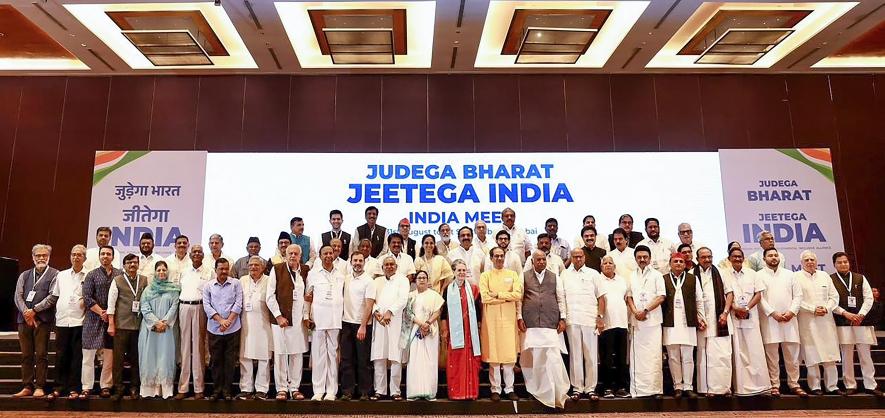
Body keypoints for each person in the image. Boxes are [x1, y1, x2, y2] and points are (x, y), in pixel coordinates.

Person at [518, 250, 569, 409]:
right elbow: (520, 299)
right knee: (532, 359)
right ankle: (534, 390)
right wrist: (519, 317)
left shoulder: (555, 277)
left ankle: (554, 393)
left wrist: (563, 318)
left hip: (550, 323)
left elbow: (561, 299)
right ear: (532, 262)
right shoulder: (524, 276)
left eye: (543, 259)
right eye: (538, 260)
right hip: (531, 323)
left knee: (552, 359)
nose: (541, 262)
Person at [830, 252, 883, 397]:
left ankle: (870, 385)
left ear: (849, 263)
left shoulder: (860, 278)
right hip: (843, 321)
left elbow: (868, 298)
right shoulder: (831, 279)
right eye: (840, 262)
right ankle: (850, 385)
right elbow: (831, 302)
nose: (843, 264)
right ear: (834, 264)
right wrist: (846, 314)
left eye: (845, 262)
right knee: (846, 354)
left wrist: (861, 315)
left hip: (862, 321)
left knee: (865, 354)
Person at [757, 248, 806, 397]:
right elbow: (759, 298)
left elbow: (798, 296)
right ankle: (774, 385)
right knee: (772, 357)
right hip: (770, 320)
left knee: (792, 355)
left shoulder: (790, 275)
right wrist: (773, 313)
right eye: (770, 255)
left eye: (775, 255)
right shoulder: (758, 275)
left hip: (789, 319)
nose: (773, 257)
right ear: (764, 259)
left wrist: (791, 312)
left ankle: (794, 384)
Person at [13, 244, 58, 399]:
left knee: (41, 354)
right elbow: (17, 296)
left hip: (43, 321)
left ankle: (40, 386)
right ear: (32, 257)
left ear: (49, 257)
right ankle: (27, 385)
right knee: (26, 354)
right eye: (38, 255)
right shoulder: (25, 275)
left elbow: (52, 297)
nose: (41, 258)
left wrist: (34, 311)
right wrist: (26, 312)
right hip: (24, 320)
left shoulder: (55, 274)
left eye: (44, 255)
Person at [561, 249, 607, 401]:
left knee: (591, 355)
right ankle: (577, 388)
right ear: (571, 258)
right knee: (575, 356)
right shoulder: (565, 274)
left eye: (580, 256)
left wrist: (600, 317)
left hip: (590, 319)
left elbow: (601, 298)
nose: (578, 259)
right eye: (575, 257)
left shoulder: (593, 274)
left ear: (584, 257)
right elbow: (561, 298)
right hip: (572, 320)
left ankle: (591, 388)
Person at [724, 247, 770, 396]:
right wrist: (736, 308)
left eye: (739, 256)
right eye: (734, 256)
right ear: (729, 259)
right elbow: (725, 295)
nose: (737, 259)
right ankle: (741, 388)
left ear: (743, 258)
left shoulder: (753, 274)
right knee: (738, 352)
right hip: (734, 317)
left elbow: (758, 294)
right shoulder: (724, 275)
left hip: (751, 317)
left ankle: (760, 386)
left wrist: (747, 308)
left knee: (754, 351)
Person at [266, 244, 309, 401]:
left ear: (300, 255)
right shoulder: (277, 269)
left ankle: (295, 388)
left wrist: (306, 316)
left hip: (298, 321)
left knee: (297, 354)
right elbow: (269, 296)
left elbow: (307, 295)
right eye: (290, 253)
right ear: (285, 254)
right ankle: (282, 388)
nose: (292, 256)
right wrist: (278, 316)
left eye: (296, 254)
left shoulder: (304, 271)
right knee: (281, 355)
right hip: (281, 320)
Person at [480, 247, 523, 401]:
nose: (499, 258)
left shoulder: (512, 274)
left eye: (501, 256)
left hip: (509, 320)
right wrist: (507, 298)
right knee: (494, 357)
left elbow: (518, 294)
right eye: (496, 256)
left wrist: (498, 295)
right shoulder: (485, 276)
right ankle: (495, 389)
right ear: (491, 258)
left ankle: (510, 389)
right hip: (491, 321)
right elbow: (485, 297)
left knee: (509, 357)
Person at [795, 251, 841, 395]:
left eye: (812, 259)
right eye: (807, 260)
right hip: (807, 321)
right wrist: (813, 309)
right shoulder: (796, 277)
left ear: (817, 261)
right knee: (812, 355)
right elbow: (796, 300)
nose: (810, 262)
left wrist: (826, 308)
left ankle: (832, 386)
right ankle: (815, 387)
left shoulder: (824, 276)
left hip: (826, 321)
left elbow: (834, 297)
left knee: (830, 355)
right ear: (801, 262)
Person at [662, 252, 705, 398]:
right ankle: (677, 387)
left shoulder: (693, 279)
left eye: (681, 261)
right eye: (675, 261)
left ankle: (688, 386)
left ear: (685, 264)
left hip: (688, 322)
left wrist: (701, 318)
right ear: (670, 264)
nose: (678, 264)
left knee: (687, 356)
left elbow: (699, 300)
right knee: (673, 357)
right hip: (670, 323)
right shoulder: (664, 279)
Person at [305, 246, 345, 401]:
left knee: (333, 356)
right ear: (320, 256)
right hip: (318, 321)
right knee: (319, 356)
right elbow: (307, 297)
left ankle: (331, 391)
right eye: (325, 253)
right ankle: (318, 390)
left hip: (335, 320)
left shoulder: (341, 275)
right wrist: (306, 316)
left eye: (330, 253)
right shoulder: (313, 274)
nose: (328, 255)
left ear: (334, 254)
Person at [626, 245, 666, 398]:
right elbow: (628, 296)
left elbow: (661, 296)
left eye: (645, 257)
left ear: (650, 258)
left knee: (654, 356)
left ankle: (656, 390)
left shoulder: (657, 275)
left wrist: (646, 310)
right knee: (638, 357)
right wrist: (635, 311)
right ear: (635, 259)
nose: (642, 260)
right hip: (637, 321)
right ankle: (638, 390)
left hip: (653, 321)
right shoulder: (631, 275)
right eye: (639, 257)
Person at [693, 247, 734, 397]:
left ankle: (723, 388)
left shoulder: (721, 272)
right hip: (701, 321)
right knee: (703, 356)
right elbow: (691, 299)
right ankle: (706, 389)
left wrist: (725, 313)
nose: (707, 260)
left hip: (720, 319)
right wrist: (697, 318)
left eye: (709, 256)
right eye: (703, 257)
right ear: (697, 259)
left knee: (722, 354)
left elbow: (729, 294)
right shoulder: (692, 274)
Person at [369, 256, 410, 401]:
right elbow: (370, 299)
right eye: (386, 264)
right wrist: (376, 312)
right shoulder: (376, 281)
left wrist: (390, 312)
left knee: (395, 357)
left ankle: (395, 391)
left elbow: (403, 299)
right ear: (382, 267)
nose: (389, 266)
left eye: (392, 264)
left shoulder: (402, 280)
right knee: (379, 356)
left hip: (395, 321)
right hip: (379, 322)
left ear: (396, 266)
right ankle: (379, 390)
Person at [107, 253, 148, 400]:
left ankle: (134, 387)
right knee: (118, 360)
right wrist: (111, 324)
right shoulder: (117, 280)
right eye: (129, 262)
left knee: (136, 359)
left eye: (135, 262)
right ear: (124, 265)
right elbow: (111, 304)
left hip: (138, 326)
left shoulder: (144, 280)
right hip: (120, 326)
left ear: (138, 264)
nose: (132, 265)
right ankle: (118, 388)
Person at [440, 260, 483, 400]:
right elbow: (444, 312)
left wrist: (479, 326)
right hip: (455, 331)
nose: (461, 273)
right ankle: (456, 393)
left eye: (464, 270)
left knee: (471, 360)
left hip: (470, 332)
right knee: (455, 360)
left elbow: (478, 311)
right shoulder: (448, 289)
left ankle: (470, 392)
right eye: (459, 270)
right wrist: (444, 329)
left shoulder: (474, 289)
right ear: (454, 272)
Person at [138, 261, 180, 399]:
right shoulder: (148, 290)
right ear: (155, 272)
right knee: (149, 357)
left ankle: (164, 390)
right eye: (159, 270)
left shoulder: (174, 289)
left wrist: (164, 323)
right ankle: (149, 390)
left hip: (166, 331)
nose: (161, 272)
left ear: (167, 272)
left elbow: (174, 307)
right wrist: (155, 323)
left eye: (164, 270)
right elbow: (144, 307)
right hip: (150, 330)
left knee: (165, 357)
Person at [175, 244, 213, 399]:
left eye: (199, 252)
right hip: (183, 307)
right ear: (190, 255)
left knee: (198, 347)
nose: (197, 254)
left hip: (200, 308)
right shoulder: (183, 272)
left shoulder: (209, 272)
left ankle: (199, 388)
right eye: (194, 252)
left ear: (203, 255)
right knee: (184, 347)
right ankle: (182, 388)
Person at [51, 245, 87, 400]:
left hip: (80, 321)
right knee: (61, 355)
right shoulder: (61, 275)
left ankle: (74, 388)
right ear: (70, 257)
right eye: (73, 254)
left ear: (84, 258)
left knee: (76, 356)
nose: (76, 257)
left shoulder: (89, 275)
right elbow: (56, 295)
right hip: (62, 320)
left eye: (79, 255)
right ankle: (59, 387)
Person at [203, 258, 243, 401]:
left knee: (230, 361)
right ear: (215, 270)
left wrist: (228, 322)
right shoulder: (208, 286)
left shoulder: (236, 284)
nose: (224, 272)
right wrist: (221, 321)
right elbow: (207, 306)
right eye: (221, 269)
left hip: (233, 329)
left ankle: (227, 391)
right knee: (216, 361)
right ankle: (216, 390)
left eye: (226, 269)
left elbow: (238, 303)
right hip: (214, 329)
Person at [81, 245, 118, 399]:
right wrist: (102, 312)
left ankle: (106, 385)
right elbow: (87, 297)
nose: (105, 256)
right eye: (102, 254)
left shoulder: (119, 274)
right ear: (99, 256)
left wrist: (109, 315)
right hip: (93, 318)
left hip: (112, 319)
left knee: (109, 355)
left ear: (113, 257)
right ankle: (87, 386)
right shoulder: (91, 275)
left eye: (108, 254)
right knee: (88, 355)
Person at [338, 251, 376, 400]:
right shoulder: (346, 279)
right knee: (346, 359)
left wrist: (363, 325)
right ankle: (347, 391)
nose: (358, 263)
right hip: (346, 323)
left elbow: (369, 305)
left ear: (364, 262)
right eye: (355, 260)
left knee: (363, 359)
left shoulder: (369, 281)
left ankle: (365, 391)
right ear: (350, 262)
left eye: (360, 261)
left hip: (362, 325)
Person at [404, 271, 445, 400]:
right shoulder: (411, 296)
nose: (422, 280)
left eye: (424, 278)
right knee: (415, 360)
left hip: (431, 329)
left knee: (430, 360)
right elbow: (409, 313)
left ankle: (430, 391)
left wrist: (427, 324)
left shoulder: (434, 295)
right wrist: (421, 324)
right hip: (416, 328)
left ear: (428, 280)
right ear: (415, 281)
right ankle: (414, 391)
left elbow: (438, 311)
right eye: (419, 278)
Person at [237, 256, 274, 400]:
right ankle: (246, 388)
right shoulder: (242, 281)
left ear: (263, 267)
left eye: (256, 265)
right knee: (245, 356)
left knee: (264, 357)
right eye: (251, 265)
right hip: (246, 323)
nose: (253, 267)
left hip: (264, 323)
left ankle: (262, 389)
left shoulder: (269, 280)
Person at [598, 254, 630, 398]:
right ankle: (607, 388)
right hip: (606, 325)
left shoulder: (622, 280)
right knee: (607, 358)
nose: (608, 265)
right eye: (605, 263)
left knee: (622, 358)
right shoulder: (597, 280)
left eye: (611, 263)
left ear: (615, 266)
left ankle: (622, 387)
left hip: (622, 324)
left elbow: (626, 299)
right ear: (601, 266)